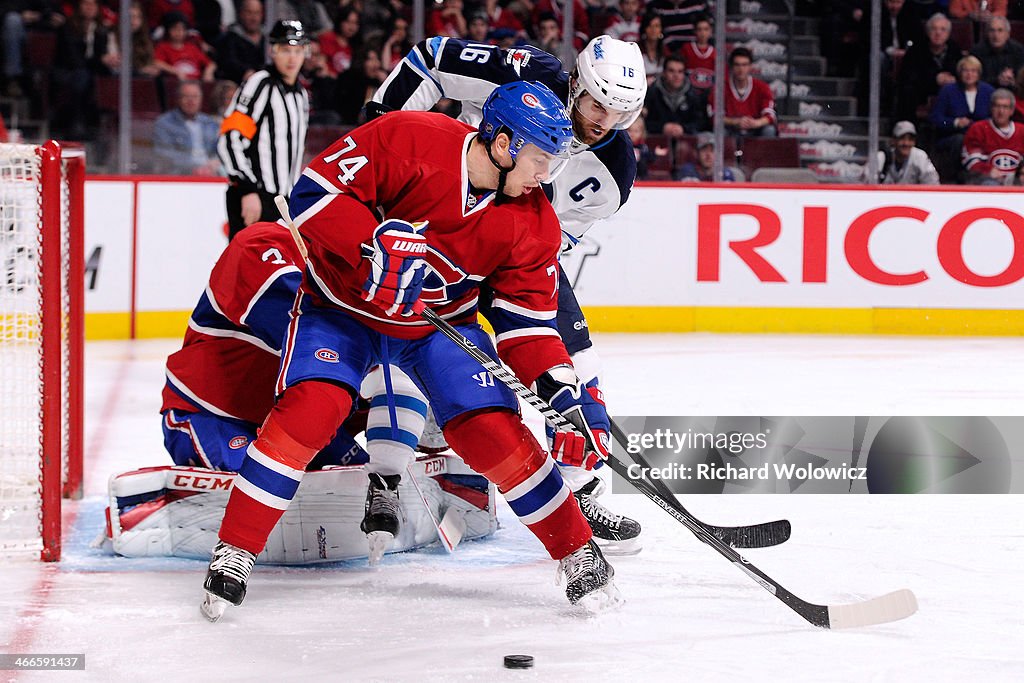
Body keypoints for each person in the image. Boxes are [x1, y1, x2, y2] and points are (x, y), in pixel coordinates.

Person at [201, 82, 621, 620]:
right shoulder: (409, 137)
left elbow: (526, 324)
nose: (547, 176)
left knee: (491, 427)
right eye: (540, 158)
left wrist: (561, 389)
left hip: (439, 327)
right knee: (313, 406)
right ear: (502, 144)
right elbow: (311, 195)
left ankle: (578, 551)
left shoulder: (534, 219)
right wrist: (368, 247)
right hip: (341, 308)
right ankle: (234, 549)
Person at [371, 35, 647, 555]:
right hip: (440, 209)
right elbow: (432, 59)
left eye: (619, 113)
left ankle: (578, 490)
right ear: (577, 84)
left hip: (514, 243)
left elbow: (550, 245)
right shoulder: (525, 72)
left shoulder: (615, 172)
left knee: (576, 363)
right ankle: (375, 459)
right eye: (595, 103)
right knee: (386, 325)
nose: (603, 120)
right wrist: (381, 124)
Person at [161, 220, 436, 562]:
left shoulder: (366, 275)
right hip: (215, 415)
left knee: (366, 484)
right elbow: (309, 328)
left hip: (295, 423)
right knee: (256, 484)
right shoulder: (260, 244)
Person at [218, 19, 309, 240]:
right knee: (247, 270)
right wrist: (246, 189)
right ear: (273, 51)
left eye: (298, 51)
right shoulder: (260, 84)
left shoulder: (301, 95)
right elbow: (230, 138)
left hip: (284, 202)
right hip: (255, 195)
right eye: (285, 50)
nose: (292, 58)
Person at [930, 55, 993, 180]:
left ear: (979, 73)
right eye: (965, 70)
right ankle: (953, 178)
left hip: (980, 136)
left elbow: (993, 117)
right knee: (960, 140)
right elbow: (936, 118)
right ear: (959, 73)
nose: (969, 74)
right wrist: (955, 122)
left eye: (973, 71)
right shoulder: (948, 91)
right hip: (952, 137)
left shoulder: (989, 91)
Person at [895, 13, 962, 122]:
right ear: (927, 31)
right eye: (934, 29)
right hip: (922, 91)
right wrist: (935, 78)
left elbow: (961, 71)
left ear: (948, 34)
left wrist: (953, 79)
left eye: (943, 30)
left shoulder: (955, 50)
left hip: (949, 91)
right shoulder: (916, 50)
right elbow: (908, 76)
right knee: (907, 91)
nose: (938, 33)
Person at [153, 80, 221, 175]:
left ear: (201, 99)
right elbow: (164, 154)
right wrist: (197, 167)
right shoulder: (164, 123)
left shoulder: (210, 123)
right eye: (186, 96)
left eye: (195, 97)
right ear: (178, 99)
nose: (191, 101)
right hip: (179, 176)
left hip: (210, 174)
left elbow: (220, 149)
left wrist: (215, 163)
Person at [962, 87, 1024, 183]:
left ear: (1012, 111)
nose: (1001, 111)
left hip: (1016, 180)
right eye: (997, 106)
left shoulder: (1021, 130)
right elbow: (971, 161)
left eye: (1005, 107)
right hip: (987, 180)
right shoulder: (978, 128)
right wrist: (988, 170)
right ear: (991, 108)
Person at [644, 54, 709, 137]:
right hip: (655, 141)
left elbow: (701, 123)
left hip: (686, 143)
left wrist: (683, 129)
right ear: (664, 73)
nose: (676, 75)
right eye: (671, 71)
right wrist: (662, 128)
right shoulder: (651, 93)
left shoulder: (693, 95)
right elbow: (643, 123)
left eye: (680, 71)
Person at [721, 47, 777, 138]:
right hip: (731, 129)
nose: (741, 69)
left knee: (769, 130)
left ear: (750, 66)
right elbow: (715, 117)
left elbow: (770, 116)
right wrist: (735, 122)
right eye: (737, 65)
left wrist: (756, 123)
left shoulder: (762, 87)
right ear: (731, 66)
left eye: (745, 65)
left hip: (755, 129)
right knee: (720, 131)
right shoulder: (721, 88)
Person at [867, 120, 940, 184]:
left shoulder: (920, 157)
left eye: (910, 139)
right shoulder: (881, 157)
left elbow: (933, 185)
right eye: (902, 138)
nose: (906, 143)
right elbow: (864, 185)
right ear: (893, 141)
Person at [213, 0, 265, 84]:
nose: (253, 18)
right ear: (241, 13)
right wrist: (246, 71)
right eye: (249, 12)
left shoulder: (267, 38)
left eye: (257, 13)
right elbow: (229, 63)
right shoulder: (229, 38)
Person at [971, 15, 1024, 88]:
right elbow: (973, 79)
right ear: (986, 33)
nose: (996, 35)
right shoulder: (977, 51)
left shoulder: (1018, 50)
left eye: (1000, 30)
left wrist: (1012, 80)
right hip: (987, 92)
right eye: (992, 30)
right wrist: (997, 80)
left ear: (1007, 34)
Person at [675, 132, 740, 182]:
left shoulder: (725, 173)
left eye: (712, 151)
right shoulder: (688, 171)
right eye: (704, 150)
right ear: (697, 153)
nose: (708, 155)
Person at [681, 13, 715, 92]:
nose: (703, 33)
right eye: (699, 29)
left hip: (708, 94)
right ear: (695, 31)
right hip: (689, 93)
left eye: (706, 29)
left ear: (711, 31)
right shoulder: (687, 49)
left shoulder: (715, 53)